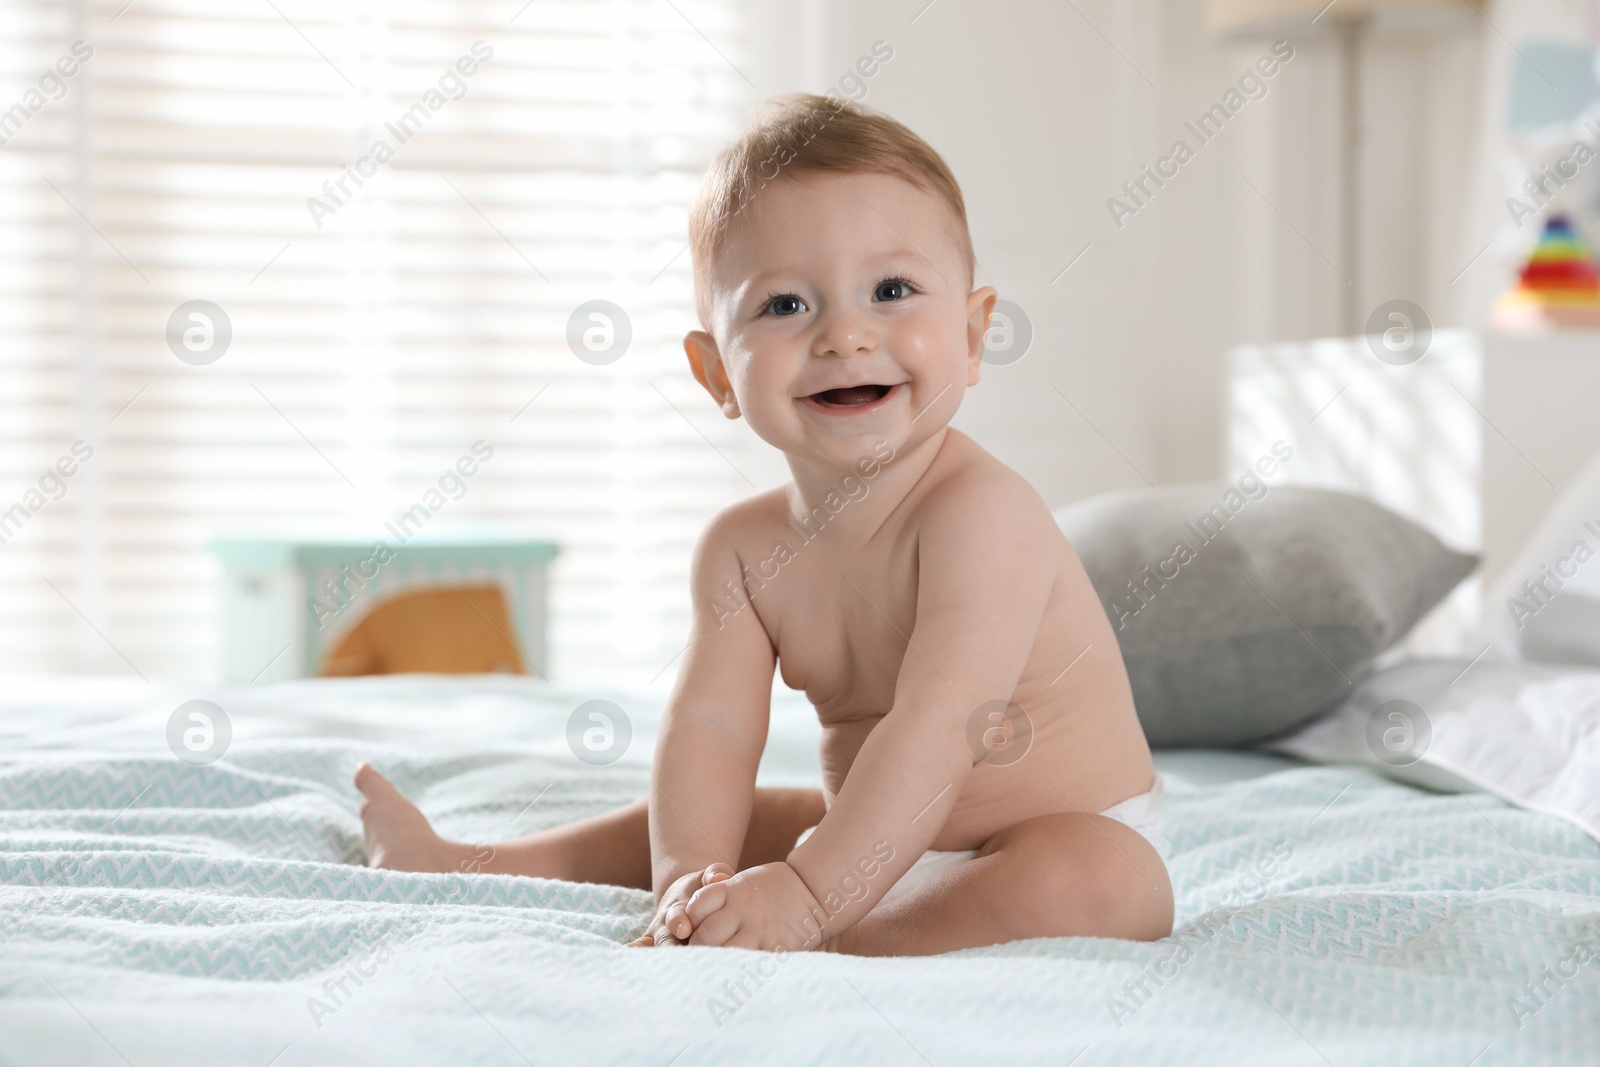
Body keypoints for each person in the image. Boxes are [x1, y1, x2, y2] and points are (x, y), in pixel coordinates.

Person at [355, 92, 1173, 956]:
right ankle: (469, 861)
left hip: (1036, 836)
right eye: (785, 305)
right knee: (749, 815)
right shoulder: (742, 551)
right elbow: (713, 731)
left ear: (972, 336)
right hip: (871, 837)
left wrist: (811, 896)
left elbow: (938, 727)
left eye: (891, 290)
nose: (845, 334)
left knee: (1102, 877)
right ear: (716, 372)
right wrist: (692, 881)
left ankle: (830, 946)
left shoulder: (984, 513)